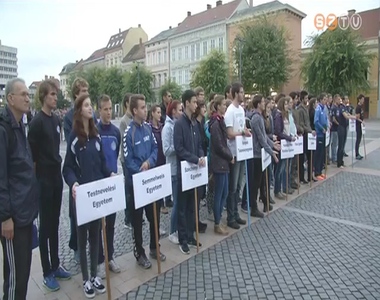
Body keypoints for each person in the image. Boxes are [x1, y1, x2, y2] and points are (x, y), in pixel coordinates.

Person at [63, 93, 112, 298]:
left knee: (95, 237)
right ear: (79, 111)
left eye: (91, 105)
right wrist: (73, 183)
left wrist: (109, 174)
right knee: (82, 239)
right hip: (82, 197)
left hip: (96, 197)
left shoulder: (96, 135)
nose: (90, 108)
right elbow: (68, 168)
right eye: (86, 105)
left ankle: (95, 275)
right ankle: (85, 279)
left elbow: (102, 163)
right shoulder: (74, 138)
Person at [28, 79, 71, 292]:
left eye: (56, 94)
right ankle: (47, 272)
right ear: (44, 96)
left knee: (55, 225)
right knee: (45, 227)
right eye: (53, 94)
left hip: (56, 178)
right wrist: (37, 184)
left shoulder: (55, 119)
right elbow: (32, 159)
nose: (56, 97)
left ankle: (56, 263)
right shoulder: (36, 123)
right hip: (43, 179)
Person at [0, 78, 38, 300]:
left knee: (23, 273)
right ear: (10, 99)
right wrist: (5, 217)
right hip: (13, 217)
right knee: (15, 277)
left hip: (25, 214)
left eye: (28, 94)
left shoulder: (20, 126)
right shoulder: (4, 130)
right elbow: (1, 177)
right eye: (23, 94)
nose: (27, 98)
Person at [124, 94, 165, 269]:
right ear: (134, 111)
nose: (145, 109)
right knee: (137, 220)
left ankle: (154, 247)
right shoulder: (129, 132)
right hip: (136, 184)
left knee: (154, 216)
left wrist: (150, 162)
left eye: (145, 106)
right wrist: (141, 168)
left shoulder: (148, 128)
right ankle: (139, 253)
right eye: (142, 107)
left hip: (150, 181)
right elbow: (127, 159)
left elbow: (156, 148)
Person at [63, 77, 96, 263]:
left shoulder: (93, 116)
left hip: (91, 173)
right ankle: (76, 246)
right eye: (83, 91)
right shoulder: (69, 117)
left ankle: (94, 250)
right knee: (76, 215)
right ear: (76, 94)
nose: (86, 94)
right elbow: (72, 146)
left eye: (87, 91)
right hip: (78, 172)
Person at [174, 90, 204, 255]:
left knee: (193, 205)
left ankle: (191, 234)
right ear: (186, 103)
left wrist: (200, 155)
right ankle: (183, 238)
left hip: (195, 172)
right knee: (183, 207)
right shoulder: (179, 124)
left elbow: (199, 143)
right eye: (193, 102)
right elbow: (179, 149)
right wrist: (194, 158)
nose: (196, 104)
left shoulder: (194, 123)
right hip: (184, 172)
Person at [96, 95, 121, 278]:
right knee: (98, 225)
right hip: (99, 184)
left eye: (110, 108)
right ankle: (98, 260)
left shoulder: (115, 131)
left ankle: (109, 256)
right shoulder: (94, 131)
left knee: (110, 224)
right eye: (105, 109)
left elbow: (115, 152)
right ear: (99, 110)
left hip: (112, 182)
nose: (109, 112)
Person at [248, 95, 279, 216]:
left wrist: (272, 145)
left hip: (260, 153)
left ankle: (263, 202)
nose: (264, 103)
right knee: (256, 182)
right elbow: (261, 138)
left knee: (261, 181)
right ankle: (253, 207)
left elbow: (265, 136)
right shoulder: (256, 118)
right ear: (258, 104)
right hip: (256, 154)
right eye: (262, 102)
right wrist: (272, 152)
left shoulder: (259, 117)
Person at [224, 82, 249, 230]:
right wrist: (242, 133)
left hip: (242, 151)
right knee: (232, 187)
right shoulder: (230, 111)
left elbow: (242, 127)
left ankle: (236, 213)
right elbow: (229, 133)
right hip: (233, 152)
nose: (243, 94)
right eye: (240, 92)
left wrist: (246, 131)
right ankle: (230, 217)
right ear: (234, 94)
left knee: (239, 184)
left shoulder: (241, 110)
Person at [209, 95, 233, 235]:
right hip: (219, 162)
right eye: (223, 104)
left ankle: (219, 220)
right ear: (218, 106)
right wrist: (230, 156)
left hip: (223, 162)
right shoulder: (215, 124)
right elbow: (218, 146)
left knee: (224, 192)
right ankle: (217, 223)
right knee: (219, 193)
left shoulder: (220, 121)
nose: (225, 106)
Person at [162, 100, 183, 245]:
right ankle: (172, 231)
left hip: (180, 168)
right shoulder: (168, 128)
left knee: (180, 202)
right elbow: (166, 150)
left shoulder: (176, 125)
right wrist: (180, 147)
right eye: (179, 110)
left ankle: (178, 229)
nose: (181, 112)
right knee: (176, 203)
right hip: (173, 169)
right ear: (173, 111)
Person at [273, 97, 296, 199]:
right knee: (279, 169)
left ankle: (280, 189)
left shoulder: (285, 115)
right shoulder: (278, 116)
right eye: (286, 104)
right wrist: (289, 137)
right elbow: (278, 132)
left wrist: (291, 135)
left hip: (286, 144)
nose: (287, 106)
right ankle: (277, 190)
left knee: (283, 168)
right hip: (281, 145)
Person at [119, 93, 133, 229]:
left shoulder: (134, 119)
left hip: (134, 160)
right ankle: (127, 218)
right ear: (127, 104)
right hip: (126, 160)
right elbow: (124, 141)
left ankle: (135, 215)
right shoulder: (124, 121)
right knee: (128, 189)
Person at [297, 91, 315, 183]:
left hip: (308, 134)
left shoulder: (306, 108)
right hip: (304, 134)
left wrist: (311, 130)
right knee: (302, 156)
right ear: (302, 99)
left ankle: (310, 175)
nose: (307, 100)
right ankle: (301, 177)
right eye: (306, 98)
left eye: (307, 98)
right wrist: (310, 130)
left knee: (310, 155)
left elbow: (308, 123)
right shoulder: (300, 109)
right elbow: (301, 124)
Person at [314, 93, 328, 180]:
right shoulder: (318, 109)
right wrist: (321, 128)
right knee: (318, 154)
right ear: (321, 100)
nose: (326, 101)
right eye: (325, 99)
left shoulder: (324, 109)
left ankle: (320, 171)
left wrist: (327, 126)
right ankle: (317, 172)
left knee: (322, 153)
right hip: (319, 134)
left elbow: (325, 119)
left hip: (324, 134)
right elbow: (316, 121)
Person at [355, 94, 365, 160]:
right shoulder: (358, 107)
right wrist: (362, 121)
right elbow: (357, 117)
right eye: (362, 99)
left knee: (359, 138)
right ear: (359, 99)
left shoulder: (361, 107)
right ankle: (356, 153)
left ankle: (358, 153)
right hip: (358, 125)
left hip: (361, 125)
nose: (363, 100)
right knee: (358, 139)